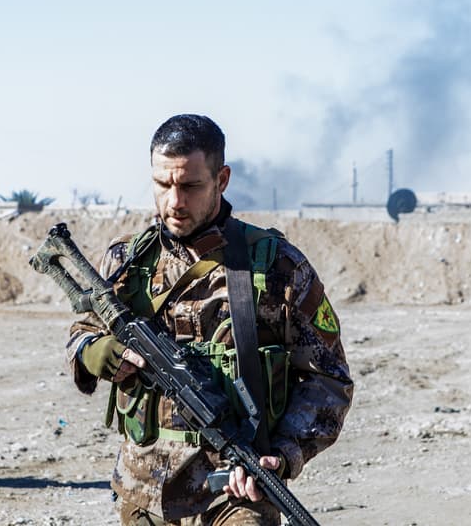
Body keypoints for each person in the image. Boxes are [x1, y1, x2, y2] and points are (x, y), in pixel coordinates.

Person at [66, 114, 354, 525]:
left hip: (235, 494)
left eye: (190, 186)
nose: (174, 202)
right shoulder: (127, 261)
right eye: (162, 184)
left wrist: (283, 453)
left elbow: (329, 379)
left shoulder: (276, 267)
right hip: (143, 493)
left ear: (222, 180)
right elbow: (82, 333)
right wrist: (95, 353)